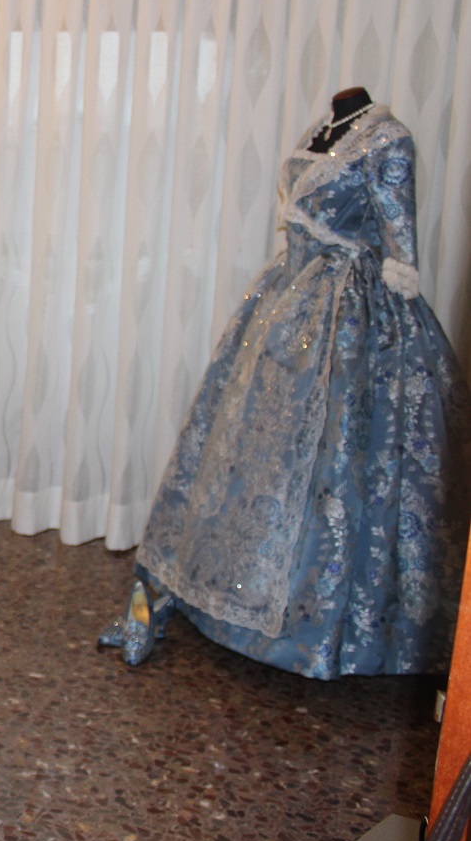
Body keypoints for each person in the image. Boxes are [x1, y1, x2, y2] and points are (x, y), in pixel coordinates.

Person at [102, 88, 470, 678]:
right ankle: (226, 593)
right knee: (247, 449)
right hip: (290, 297)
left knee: (337, 457)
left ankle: (321, 629)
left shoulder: (388, 139)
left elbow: (400, 249)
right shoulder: (321, 130)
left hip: (348, 318)